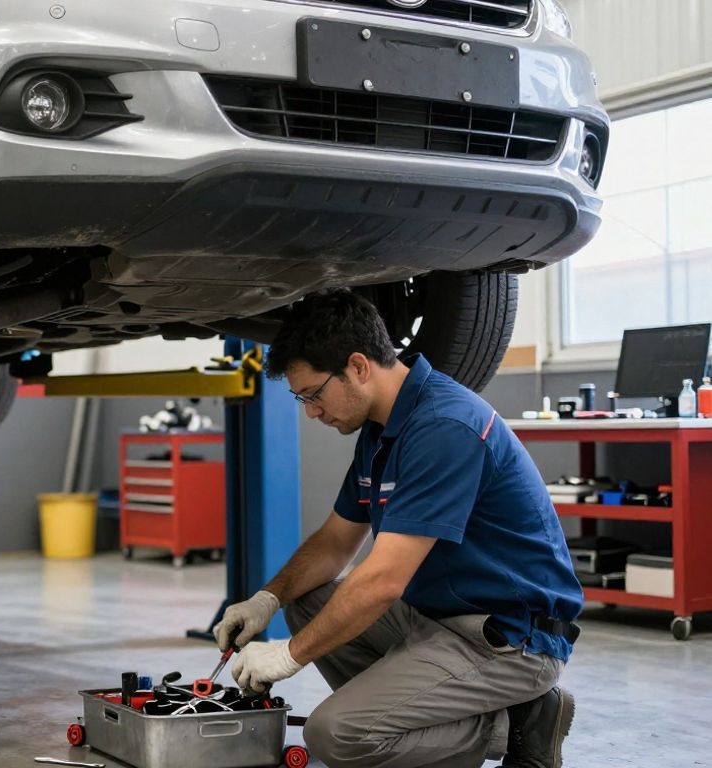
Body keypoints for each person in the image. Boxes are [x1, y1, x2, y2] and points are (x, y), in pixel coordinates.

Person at [214, 290, 583, 768]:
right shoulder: (380, 428)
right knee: (305, 598)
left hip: (508, 639)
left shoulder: (445, 426)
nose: (311, 411)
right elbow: (334, 542)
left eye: (313, 394)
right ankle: (414, 717)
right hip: (434, 618)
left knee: (336, 736)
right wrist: (266, 599)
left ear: (359, 367)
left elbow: (384, 580)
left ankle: (516, 723)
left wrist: (289, 655)